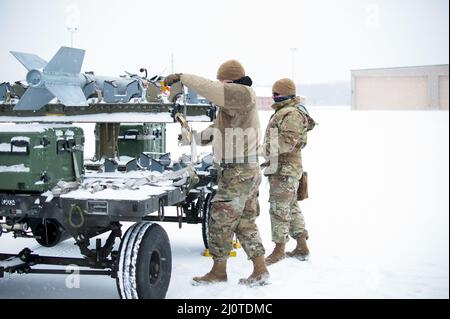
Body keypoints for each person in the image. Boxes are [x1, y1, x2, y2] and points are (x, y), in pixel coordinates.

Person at [164, 60, 269, 286]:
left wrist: (183, 77)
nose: (220, 85)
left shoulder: (241, 93)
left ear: (230, 80)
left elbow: (211, 89)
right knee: (244, 223)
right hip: (243, 171)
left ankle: (219, 272)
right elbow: (216, 131)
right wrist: (191, 138)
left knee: (220, 220)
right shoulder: (234, 103)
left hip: (238, 172)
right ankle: (260, 270)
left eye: (222, 81)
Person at [261, 78, 316, 266]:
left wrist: (262, 151)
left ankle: (279, 249)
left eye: (276, 93)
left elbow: (287, 142)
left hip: (286, 169)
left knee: (279, 208)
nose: (273, 96)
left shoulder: (291, 113)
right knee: (290, 207)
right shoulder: (284, 111)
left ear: (284, 94)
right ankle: (301, 246)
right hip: (282, 167)